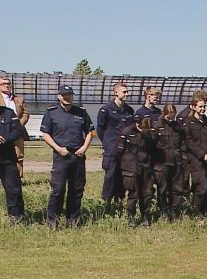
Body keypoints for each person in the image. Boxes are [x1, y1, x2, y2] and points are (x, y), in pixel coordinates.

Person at [41, 85, 94, 229]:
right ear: (59, 96)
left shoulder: (81, 112)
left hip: (78, 156)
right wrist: (58, 149)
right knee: (58, 190)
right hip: (61, 156)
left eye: (70, 94)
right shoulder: (51, 113)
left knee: (76, 190)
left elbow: (90, 132)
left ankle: (73, 221)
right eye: (64, 95)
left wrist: (84, 148)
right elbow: (46, 134)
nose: (67, 97)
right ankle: (53, 222)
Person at [97, 82, 135, 208]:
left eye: (127, 92)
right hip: (112, 148)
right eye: (124, 92)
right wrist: (108, 143)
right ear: (116, 92)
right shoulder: (106, 110)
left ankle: (119, 201)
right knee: (110, 175)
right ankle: (106, 203)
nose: (126, 94)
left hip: (125, 149)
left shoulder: (129, 110)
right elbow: (100, 129)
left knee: (122, 175)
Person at [118, 117, 156, 227]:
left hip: (146, 167)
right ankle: (131, 217)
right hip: (131, 167)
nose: (145, 132)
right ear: (138, 125)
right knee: (133, 194)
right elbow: (119, 151)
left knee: (147, 193)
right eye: (144, 129)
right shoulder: (127, 132)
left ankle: (145, 216)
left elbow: (153, 150)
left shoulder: (149, 134)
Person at [184, 97, 207, 216]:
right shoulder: (188, 123)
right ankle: (197, 212)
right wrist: (203, 155)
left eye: (204, 106)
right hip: (196, 160)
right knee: (202, 187)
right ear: (193, 107)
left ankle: (205, 209)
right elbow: (189, 142)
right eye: (200, 106)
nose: (203, 109)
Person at [153, 104, 187, 220]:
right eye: (169, 117)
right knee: (163, 188)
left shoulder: (177, 126)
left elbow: (182, 143)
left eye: (173, 117)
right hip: (162, 162)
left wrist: (183, 158)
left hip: (177, 161)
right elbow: (152, 144)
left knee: (177, 188)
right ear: (164, 114)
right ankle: (164, 211)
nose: (171, 120)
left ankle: (174, 210)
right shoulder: (157, 126)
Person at [0, 98, 24, 224]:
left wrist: (6, 138)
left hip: (7, 158)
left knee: (13, 189)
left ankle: (16, 219)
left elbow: (18, 131)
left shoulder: (8, 113)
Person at [0, 76, 29, 178]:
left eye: (8, 84)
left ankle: (17, 179)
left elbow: (25, 113)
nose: (6, 86)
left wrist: (18, 125)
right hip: (2, 132)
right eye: (3, 84)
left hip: (17, 132)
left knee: (19, 156)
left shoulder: (19, 99)